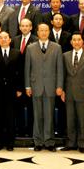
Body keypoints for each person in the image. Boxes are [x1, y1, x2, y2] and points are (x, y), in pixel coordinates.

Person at [24, 23, 64, 152]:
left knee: (49, 115)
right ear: (37, 31)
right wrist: (27, 86)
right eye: (41, 30)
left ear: (49, 32)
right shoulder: (30, 48)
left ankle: (49, 141)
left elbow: (60, 69)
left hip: (51, 87)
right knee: (37, 115)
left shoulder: (57, 47)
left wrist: (59, 86)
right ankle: (38, 141)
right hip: (36, 86)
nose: (44, 32)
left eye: (46, 30)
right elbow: (27, 69)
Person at [61, 32, 84, 153]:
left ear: (82, 42)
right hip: (69, 92)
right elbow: (63, 75)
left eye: (78, 40)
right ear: (71, 42)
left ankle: (82, 143)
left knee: (82, 119)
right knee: (70, 119)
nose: (76, 42)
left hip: (83, 92)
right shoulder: (65, 56)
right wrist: (62, 91)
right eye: (74, 40)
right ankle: (71, 143)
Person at [0, 31, 22, 151]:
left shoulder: (17, 53)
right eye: (1, 38)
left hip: (12, 89)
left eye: (5, 37)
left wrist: (19, 88)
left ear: (10, 39)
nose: (3, 39)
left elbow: (20, 72)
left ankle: (10, 143)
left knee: (11, 117)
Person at [11, 18, 38, 136]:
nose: (25, 28)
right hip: (17, 80)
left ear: (31, 27)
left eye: (27, 26)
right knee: (18, 107)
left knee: (32, 108)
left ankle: (31, 131)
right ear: (20, 27)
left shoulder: (36, 41)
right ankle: (20, 130)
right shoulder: (14, 40)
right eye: (22, 26)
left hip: (32, 80)